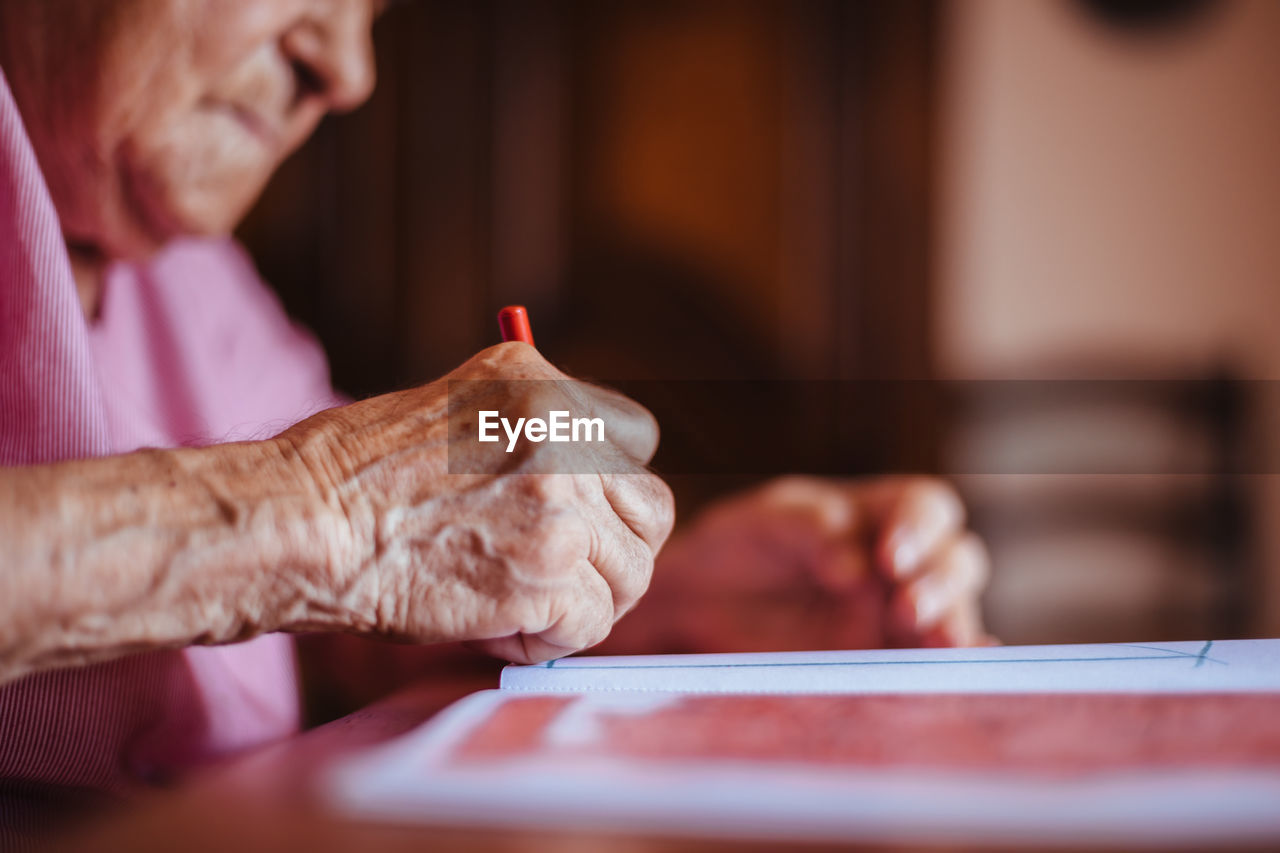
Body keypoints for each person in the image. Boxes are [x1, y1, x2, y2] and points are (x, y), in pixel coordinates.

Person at [0, 0, 990, 825]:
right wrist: (327, 514)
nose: (346, 69)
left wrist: (666, 608)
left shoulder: (191, 277)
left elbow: (349, 626)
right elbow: (343, 533)